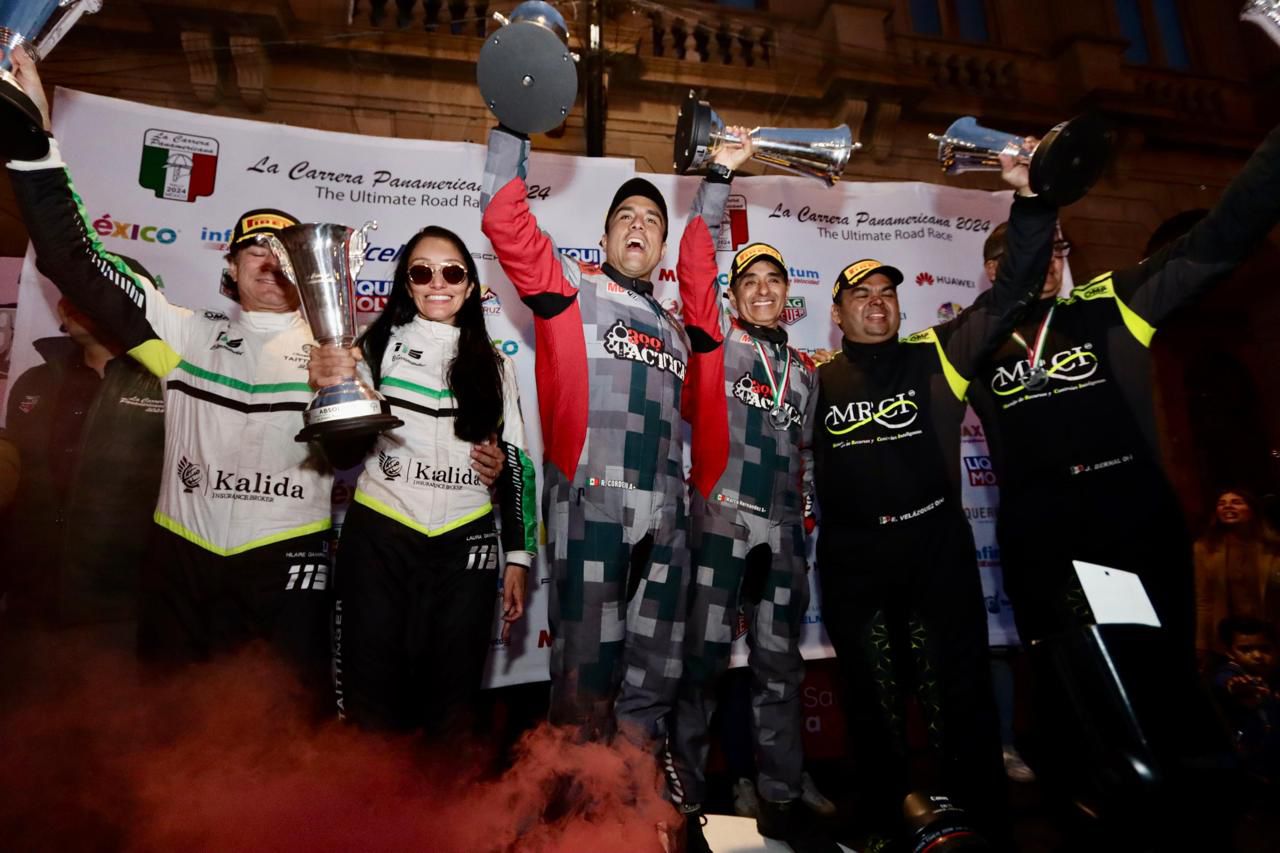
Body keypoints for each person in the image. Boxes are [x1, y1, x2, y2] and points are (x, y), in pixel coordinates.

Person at [3, 52, 503, 701]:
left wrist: (336, 388)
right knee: (169, 731)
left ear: (304, 269)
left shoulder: (341, 349)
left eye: (283, 251)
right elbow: (74, 263)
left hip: (287, 565)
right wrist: (35, 146)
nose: (269, 260)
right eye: (253, 250)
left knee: (282, 738)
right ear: (230, 268)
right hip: (183, 557)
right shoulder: (181, 334)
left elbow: (350, 456)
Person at [810, 155, 1056, 845]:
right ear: (837, 312)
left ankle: (982, 826)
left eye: (887, 292)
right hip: (855, 560)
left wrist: (1030, 203)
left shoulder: (937, 354)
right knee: (874, 706)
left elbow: (1011, 291)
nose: (877, 302)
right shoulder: (813, 381)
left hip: (935, 552)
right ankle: (888, 829)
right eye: (861, 294)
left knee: (961, 701)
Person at [966, 123, 1280, 657]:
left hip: (1131, 514)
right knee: (1075, 678)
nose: (1050, 260)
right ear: (996, 270)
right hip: (1042, 529)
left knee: (1158, 670)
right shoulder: (972, 341)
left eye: (1059, 248)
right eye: (1034, 248)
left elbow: (1218, 238)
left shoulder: (1112, 303)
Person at [479, 126, 726, 784]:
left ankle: (631, 810)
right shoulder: (571, 289)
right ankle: (573, 819)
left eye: (653, 219)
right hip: (592, 509)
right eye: (626, 216)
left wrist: (719, 181)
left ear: (662, 246)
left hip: (667, 523)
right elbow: (504, 220)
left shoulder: (678, 327)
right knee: (584, 682)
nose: (639, 225)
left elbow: (703, 277)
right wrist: (514, 122)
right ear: (607, 235)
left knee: (654, 680)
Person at [666, 128, 832, 853]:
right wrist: (718, 180)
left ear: (787, 296)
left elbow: (810, 456)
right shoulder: (715, 343)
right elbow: (696, 267)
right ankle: (683, 798)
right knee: (702, 668)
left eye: (774, 282)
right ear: (734, 295)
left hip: (784, 537)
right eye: (749, 282)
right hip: (721, 526)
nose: (762, 291)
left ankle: (782, 795)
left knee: (778, 669)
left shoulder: (807, 370)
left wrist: (807, 517)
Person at [305, 226, 536, 734]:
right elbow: (343, 453)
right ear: (406, 284)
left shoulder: (497, 364)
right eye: (421, 272)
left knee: (452, 706)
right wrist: (327, 390)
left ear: (470, 286)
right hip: (381, 534)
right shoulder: (375, 345)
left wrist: (519, 558)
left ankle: (440, 789)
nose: (437, 283)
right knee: (371, 698)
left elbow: (518, 463)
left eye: (452, 272)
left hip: (465, 540)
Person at [1, 296, 164, 628]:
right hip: (30, 596)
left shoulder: (166, 388)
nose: (74, 301)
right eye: (68, 293)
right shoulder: (34, 381)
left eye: (88, 291)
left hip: (122, 605)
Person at [1195, 488, 1280, 666]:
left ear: (1252, 510)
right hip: (1228, 638)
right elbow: (1203, 601)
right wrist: (1201, 643)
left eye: (1236, 502)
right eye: (1222, 503)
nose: (1227, 506)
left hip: (1271, 632)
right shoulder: (1205, 548)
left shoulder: (1273, 546)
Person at [1210, 617, 1280, 782]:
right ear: (1229, 652)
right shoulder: (1230, 673)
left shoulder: (1271, 676)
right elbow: (1226, 682)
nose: (1257, 655)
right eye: (1245, 649)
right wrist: (1236, 687)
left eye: (1265, 648)